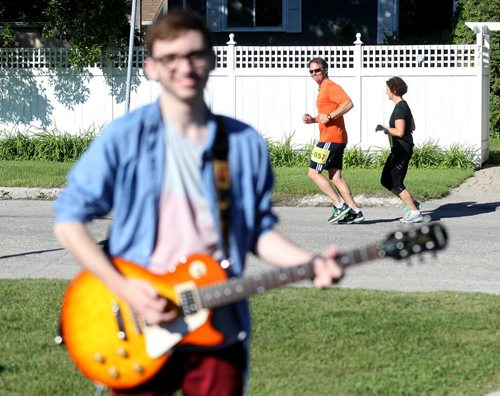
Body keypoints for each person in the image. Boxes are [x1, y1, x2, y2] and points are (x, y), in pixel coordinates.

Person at [53, 9, 343, 396]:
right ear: (151, 67)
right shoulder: (124, 138)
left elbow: (256, 231)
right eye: (170, 58)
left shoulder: (243, 144)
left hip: (218, 328)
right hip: (137, 319)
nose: (184, 67)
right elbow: (69, 221)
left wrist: (307, 264)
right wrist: (124, 288)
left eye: (194, 55)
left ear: (211, 59)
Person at [302, 57, 364, 225]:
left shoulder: (330, 87)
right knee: (336, 177)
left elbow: (348, 104)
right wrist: (313, 120)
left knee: (313, 173)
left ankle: (339, 206)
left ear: (325, 70)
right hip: (336, 138)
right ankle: (355, 212)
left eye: (317, 70)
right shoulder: (322, 89)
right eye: (311, 71)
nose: (314, 74)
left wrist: (329, 116)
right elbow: (327, 115)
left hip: (330, 138)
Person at [377, 76, 423, 223]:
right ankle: (411, 204)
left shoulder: (400, 108)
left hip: (402, 150)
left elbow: (400, 132)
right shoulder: (403, 106)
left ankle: (414, 212)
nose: (386, 92)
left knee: (396, 182)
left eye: (388, 89)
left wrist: (386, 128)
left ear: (394, 90)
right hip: (398, 149)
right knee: (386, 180)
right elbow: (413, 127)